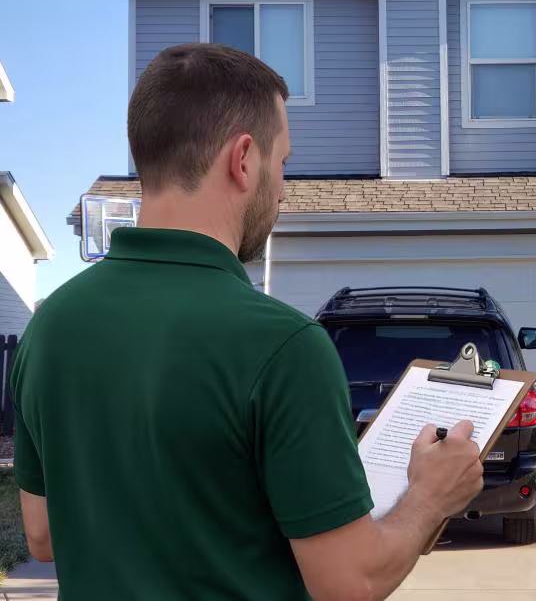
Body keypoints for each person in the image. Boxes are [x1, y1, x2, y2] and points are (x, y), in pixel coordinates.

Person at [10, 42, 484, 600]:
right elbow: (350, 582)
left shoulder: (52, 325)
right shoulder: (284, 346)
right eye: (282, 162)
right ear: (243, 160)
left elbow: (42, 535)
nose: (282, 187)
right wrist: (431, 495)